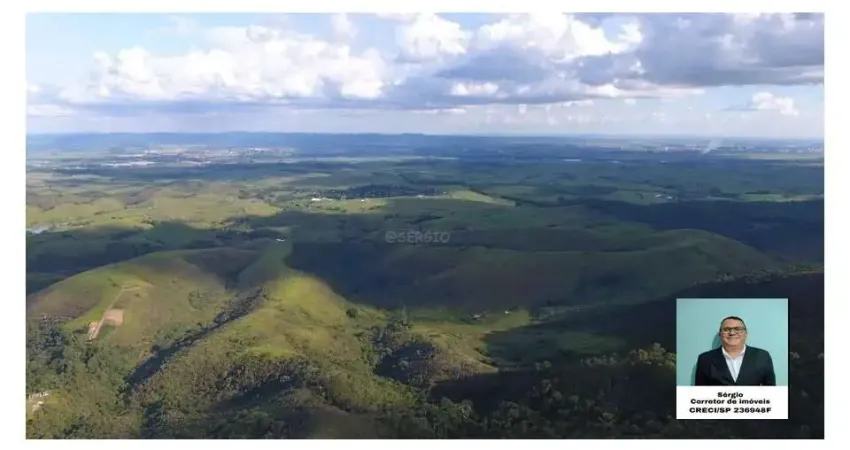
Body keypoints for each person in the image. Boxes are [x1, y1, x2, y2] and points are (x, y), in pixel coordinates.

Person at [694, 316, 776, 386]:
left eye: (738, 329)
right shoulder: (705, 359)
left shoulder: (762, 356)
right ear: (720, 334)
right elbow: (700, 393)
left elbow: (771, 391)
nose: (732, 332)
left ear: (745, 333)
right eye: (726, 329)